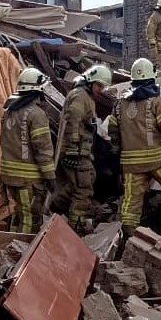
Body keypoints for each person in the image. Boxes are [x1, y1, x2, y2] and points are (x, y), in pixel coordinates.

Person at [107, 58, 161, 236]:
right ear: (152, 78)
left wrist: (118, 151)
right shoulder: (158, 101)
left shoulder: (119, 105)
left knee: (131, 201)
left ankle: (128, 236)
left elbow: (112, 132)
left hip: (130, 164)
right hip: (157, 160)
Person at [51, 64, 111, 233]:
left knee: (86, 179)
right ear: (90, 81)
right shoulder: (80, 96)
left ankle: (56, 206)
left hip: (81, 151)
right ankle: (75, 226)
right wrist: (72, 149)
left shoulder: (86, 96)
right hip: (76, 151)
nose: (101, 90)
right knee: (83, 189)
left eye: (103, 87)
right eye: (99, 85)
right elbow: (72, 122)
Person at [0, 68, 56, 234]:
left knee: (18, 214)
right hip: (28, 179)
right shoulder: (37, 114)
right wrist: (50, 177)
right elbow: (43, 149)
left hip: (9, 176)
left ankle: (9, 244)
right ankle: (21, 247)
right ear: (38, 89)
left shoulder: (10, 111)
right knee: (30, 217)